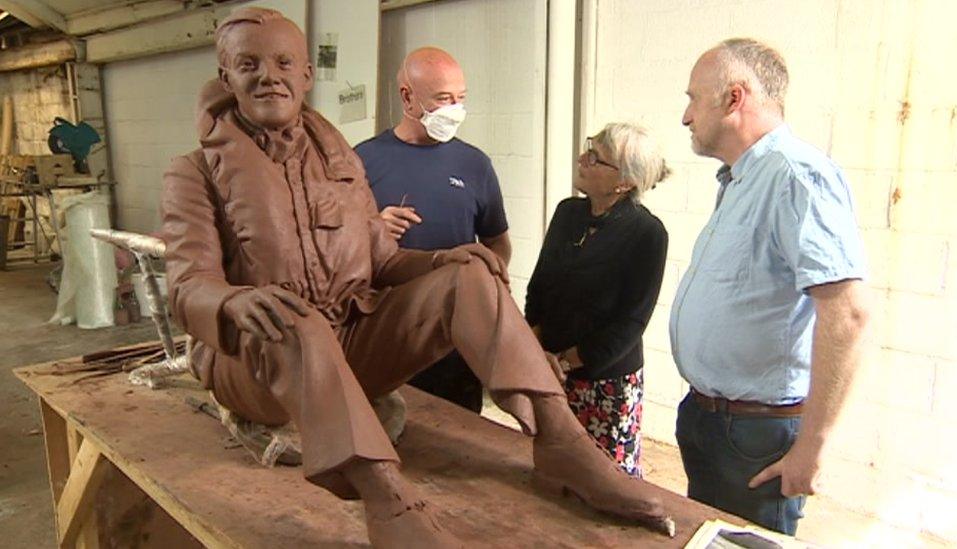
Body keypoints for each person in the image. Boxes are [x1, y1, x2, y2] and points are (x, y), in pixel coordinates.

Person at [161, 8, 674, 547]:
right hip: (257, 362)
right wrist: (231, 303)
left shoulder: (338, 161)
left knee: (469, 273)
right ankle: (385, 493)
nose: (269, 75)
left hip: (350, 342)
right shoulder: (192, 172)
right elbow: (187, 284)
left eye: (283, 62)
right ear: (226, 79)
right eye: (248, 64)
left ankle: (562, 443)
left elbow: (383, 261)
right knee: (297, 318)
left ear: (306, 75)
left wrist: (443, 261)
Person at [669, 37, 871, 534]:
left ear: (734, 99)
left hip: (755, 434)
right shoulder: (742, 179)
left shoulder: (795, 176)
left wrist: (813, 448)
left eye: (693, 98)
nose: (686, 116)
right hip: (712, 419)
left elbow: (847, 313)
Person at [355, 47, 511, 413]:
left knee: (457, 431)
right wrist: (372, 229)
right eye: (443, 99)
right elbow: (331, 246)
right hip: (388, 328)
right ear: (407, 96)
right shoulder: (362, 160)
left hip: (454, 339)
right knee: (386, 427)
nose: (455, 109)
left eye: (461, 99)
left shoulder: (475, 165)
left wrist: (487, 278)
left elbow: (497, 243)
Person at [525, 123, 670, 478]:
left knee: (604, 480)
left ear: (624, 181)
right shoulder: (567, 213)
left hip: (604, 383)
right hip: (550, 372)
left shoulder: (647, 234)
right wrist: (537, 348)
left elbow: (630, 323)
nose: (581, 159)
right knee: (552, 473)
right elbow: (539, 287)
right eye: (588, 150)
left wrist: (565, 362)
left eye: (595, 158)